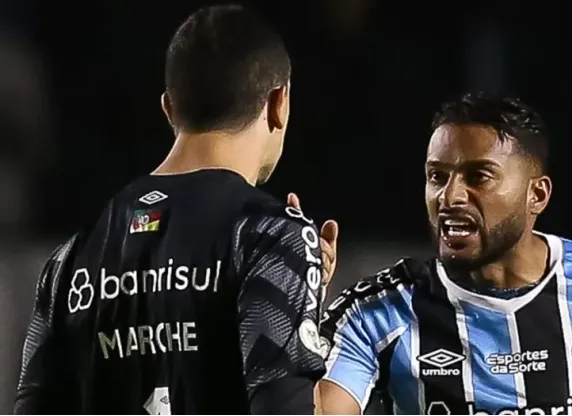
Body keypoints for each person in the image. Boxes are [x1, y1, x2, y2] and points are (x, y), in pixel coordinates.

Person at [315, 92, 572, 415]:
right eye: (436, 176)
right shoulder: (376, 313)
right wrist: (297, 308)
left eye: (478, 176)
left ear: (537, 194)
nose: (450, 196)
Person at [14, 4, 338, 414]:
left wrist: (301, 293)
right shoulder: (270, 236)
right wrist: (302, 289)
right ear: (279, 102)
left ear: (169, 108)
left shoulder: (71, 258)